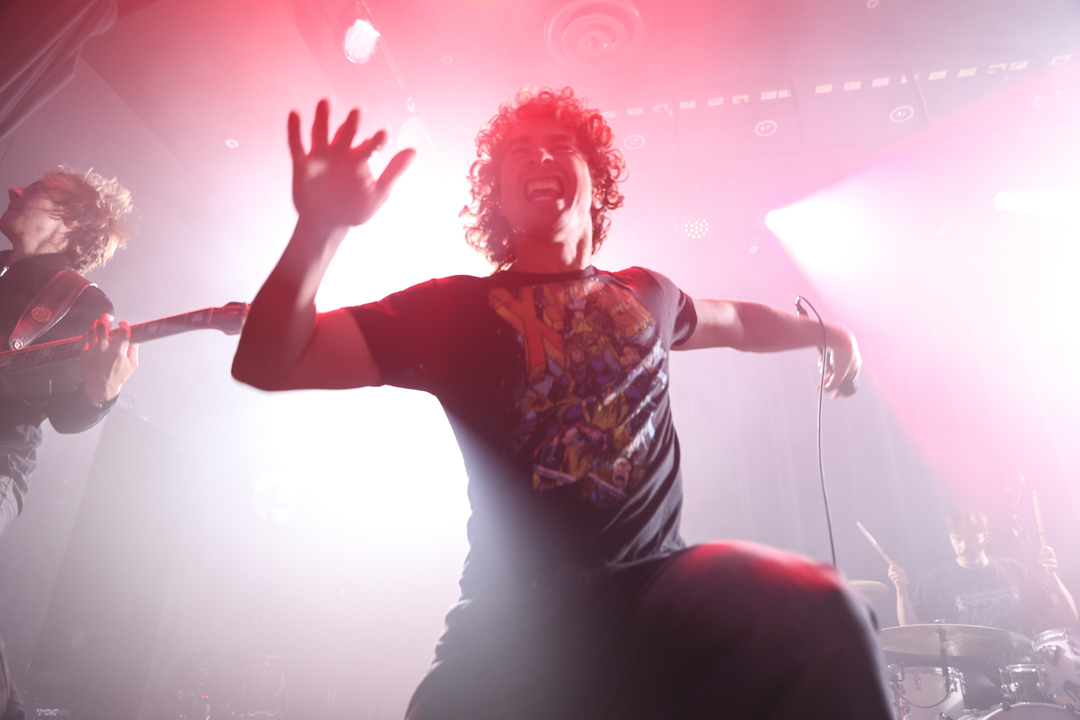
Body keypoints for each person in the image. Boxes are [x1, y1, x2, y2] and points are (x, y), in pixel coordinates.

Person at [233, 88, 893, 719]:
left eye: (559, 146)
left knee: (823, 612)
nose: (540, 156)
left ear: (594, 182)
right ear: (498, 197)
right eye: (519, 152)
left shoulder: (649, 294)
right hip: (512, 625)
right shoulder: (450, 309)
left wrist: (828, 333)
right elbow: (270, 361)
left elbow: (739, 323)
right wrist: (318, 228)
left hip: (651, 592)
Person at [0, 166, 139, 720]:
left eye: (36, 191)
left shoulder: (78, 301)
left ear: (73, 221)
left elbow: (66, 418)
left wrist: (99, 395)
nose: (15, 190)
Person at [888, 507, 1078, 708]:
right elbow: (911, 631)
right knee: (987, 696)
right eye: (957, 539)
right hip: (975, 675)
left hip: (1026, 669)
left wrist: (1050, 574)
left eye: (971, 539)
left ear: (985, 537)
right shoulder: (936, 580)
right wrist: (901, 590)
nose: (963, 547)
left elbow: (1067, 615)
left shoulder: (1013, 569)